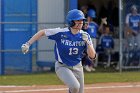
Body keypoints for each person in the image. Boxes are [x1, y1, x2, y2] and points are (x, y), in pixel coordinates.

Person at [21, 9, 96, 93]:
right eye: (78, 20)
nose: (81, 22)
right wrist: (28, 44)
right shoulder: (61, 32)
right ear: (71, 22)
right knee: (75, 86)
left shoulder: (85, 36)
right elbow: (42, 32)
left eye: (82, 20)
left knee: (79, 91)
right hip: (62, 66)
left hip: (78, 66)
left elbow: (92, 56)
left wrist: (88, 43)